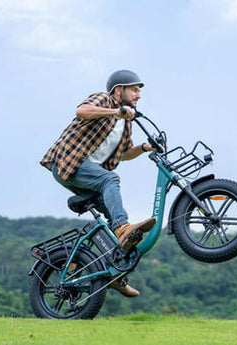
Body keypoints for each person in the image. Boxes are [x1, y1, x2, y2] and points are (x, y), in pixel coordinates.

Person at [40, 70, 155, 297]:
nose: (138, 95)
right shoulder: (104, 99)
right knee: (110, 180)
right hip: (69, 162)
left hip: (87, 170)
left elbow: (123, 154)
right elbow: (81, 111)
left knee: (115, 216)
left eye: (139, 91)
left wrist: (143, 148)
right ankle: (122, 229)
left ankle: (113, 273)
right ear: (118, 90)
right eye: (134, 89)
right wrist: (116, 111)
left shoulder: (126, 122)